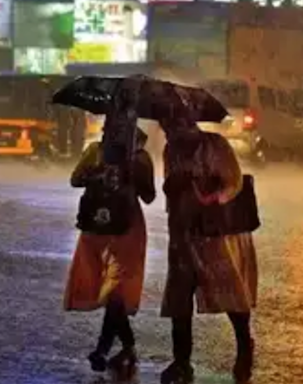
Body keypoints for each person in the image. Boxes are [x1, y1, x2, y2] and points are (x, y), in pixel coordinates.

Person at [158, 112, 258, 384]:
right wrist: (174, 183)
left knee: (230, 291)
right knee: (180, 297)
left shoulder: (216, 145)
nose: (170, 129)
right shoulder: (171, 150)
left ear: (189, 121)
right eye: (166, 125)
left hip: (215, 231)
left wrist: (214, 196)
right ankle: (181, 362)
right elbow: (168, 188)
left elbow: (233, 181)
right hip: (182, 231)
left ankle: (244, 347)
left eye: (174, 123)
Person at [63, 127, 156, 375]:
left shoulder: (139, 156)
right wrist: (96, 173)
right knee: (106, 289)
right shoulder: (95, 150)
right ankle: (128, 345)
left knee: (115, 289)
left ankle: (102, 350)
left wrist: (134, 173)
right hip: (96, 226)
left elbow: (149, 196)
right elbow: (75, 180)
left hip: (127, 229)